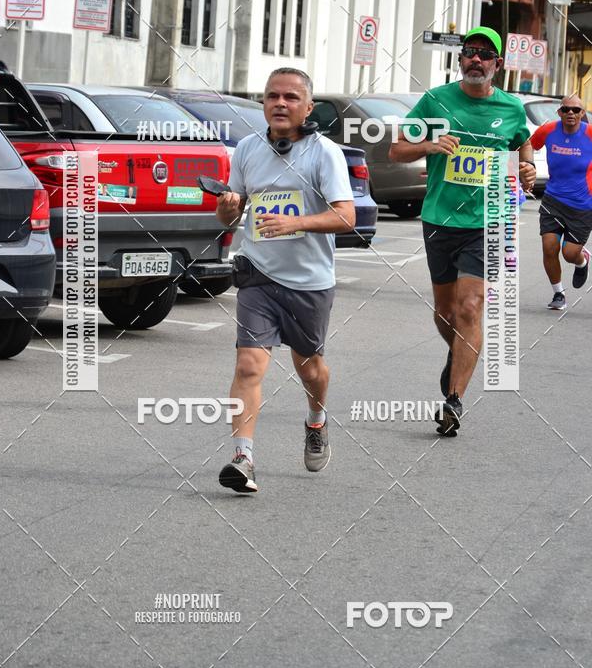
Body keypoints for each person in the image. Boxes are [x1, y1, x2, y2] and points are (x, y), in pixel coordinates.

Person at [389, 26, 536, 436]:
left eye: (485, 55)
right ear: (461, 60)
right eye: (470, 52)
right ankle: (458, 355)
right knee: (446, 313)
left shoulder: (511, 108)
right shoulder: (435, 101)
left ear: (497, 65)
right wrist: (429, 146)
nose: (476, 59)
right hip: (439, 217)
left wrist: (526, 168)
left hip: (490, 219)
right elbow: (396, 149)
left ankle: (453, 400)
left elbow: (521, 147)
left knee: (471, 308)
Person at [214, 68, 355, 493]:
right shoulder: (247, 150)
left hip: (309, 281)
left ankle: (316, 418)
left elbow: (346, 217)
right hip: (257, 272)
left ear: (308, 107)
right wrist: (229, 205)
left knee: (310, 368)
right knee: (249, 363)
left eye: (291, 97)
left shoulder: (324, 153)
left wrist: (298, 221)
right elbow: (229, 217)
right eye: (272, 96)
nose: (280, 103)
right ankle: (243, 458)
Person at [530, 95, 592, 310]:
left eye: (576, 110)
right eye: (566, 109)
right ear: (559, 112)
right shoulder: (548, 131)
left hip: (583, 205)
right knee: (549, 248)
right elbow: (527, 146)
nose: (571, 114)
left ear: (583, 113)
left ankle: (582, 260)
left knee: (569, 254)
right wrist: (524, 169)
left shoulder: (590, 134)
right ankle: (558, 294)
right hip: (553, 199)